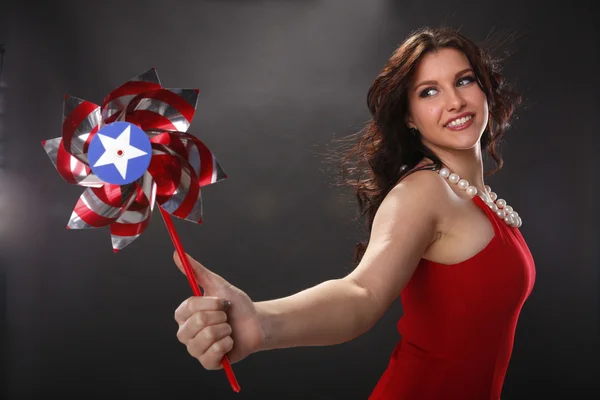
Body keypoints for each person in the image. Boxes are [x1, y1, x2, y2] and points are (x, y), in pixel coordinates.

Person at [172, 26, 536, 399]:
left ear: (485, 89)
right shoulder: (424, 191)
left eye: (464, 81)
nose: (455, 101)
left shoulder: (475, 195)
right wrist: (262, 323)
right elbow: (361, 292)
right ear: (409, 117)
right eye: (429, 92)